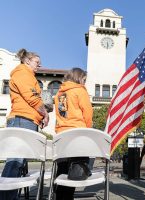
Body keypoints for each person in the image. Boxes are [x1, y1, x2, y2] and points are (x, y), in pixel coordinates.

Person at [0, 49, 49, 200]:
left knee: (18, 163)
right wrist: (45, 114)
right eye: (36, 63)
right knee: (15, 161)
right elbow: (32, 98)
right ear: (27, 61)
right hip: (23, 119)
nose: (39, 66)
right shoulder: (23, 73)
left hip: (26, 119)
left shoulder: (27, 75)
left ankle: (10, 196)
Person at [53, 68, 93, 199]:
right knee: (75, 171)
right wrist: (87, 130)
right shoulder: (80, 90)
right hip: (77, 134)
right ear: (79, 78)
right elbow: (87, 113)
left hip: (62, 134)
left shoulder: (59, 93)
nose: (84, 82)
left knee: (62, 170)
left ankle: (59, 196)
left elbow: (60, 114)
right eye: (84, 80)